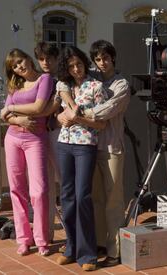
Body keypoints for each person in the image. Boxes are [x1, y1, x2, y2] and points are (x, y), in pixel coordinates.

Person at [54, 46, 106, 272]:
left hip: (85, 145)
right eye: (71, 66)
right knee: (66, 196)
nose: (76, 69)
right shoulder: (65, 87)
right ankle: (71, 248)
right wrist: (61, 118)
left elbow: (101, 123)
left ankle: (88, 254)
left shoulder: (96, 86)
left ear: (85, 63)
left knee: (82, 195)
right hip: (64, 144)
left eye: (79, 64)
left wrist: (78, 119)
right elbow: (58, 116)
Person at [1, 49, 53, 256]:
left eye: (20, 61)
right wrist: (18, 119)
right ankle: (24, 239)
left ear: (28, 59)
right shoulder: (14, 85)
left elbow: (39, 107)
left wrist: (12, 108)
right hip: (13, 138)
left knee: (38, 191)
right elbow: (5, 115)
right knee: (16, 189)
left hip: (35, 139)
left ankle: (42, 240)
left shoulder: (44, 79)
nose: (19, 67)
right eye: (14, 66)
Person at [88, 40, 130, 267]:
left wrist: (81, 113)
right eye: (97, 59)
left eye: (105, 57)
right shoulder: (91, 78)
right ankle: (100, 242)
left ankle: (116, 249)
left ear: (113, 57)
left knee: (114, 199)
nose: (102, 62)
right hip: (90, 146)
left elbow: (108, 110)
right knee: (96, 199)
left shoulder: (122, 84)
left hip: (113, 146)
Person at [33, 41, 61, 242]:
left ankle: (73, 233)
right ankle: (46, 233)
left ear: (56, 59)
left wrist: (33, 113)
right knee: (45, 187)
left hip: (59, 133)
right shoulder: (37, 79)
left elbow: (50, 107)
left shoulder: (62, 80)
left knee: (66, 183)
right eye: (42, 59)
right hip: (39, 136)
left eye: (49, 58)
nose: (45, 62)